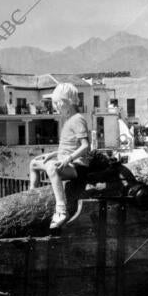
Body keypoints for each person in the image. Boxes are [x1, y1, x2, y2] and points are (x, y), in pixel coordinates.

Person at [29, 83, 90, 228]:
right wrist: (54, 154)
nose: (56, 107)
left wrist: (68, 159)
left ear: (65, 103)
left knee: (51, 168)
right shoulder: (69, 120)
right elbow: (69, 146)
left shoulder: (78, 119)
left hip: (77, 166)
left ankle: (61, 210)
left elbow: (85, 146)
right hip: (67, 162)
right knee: (34, 163)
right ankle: (31, 196)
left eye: (57, 103)